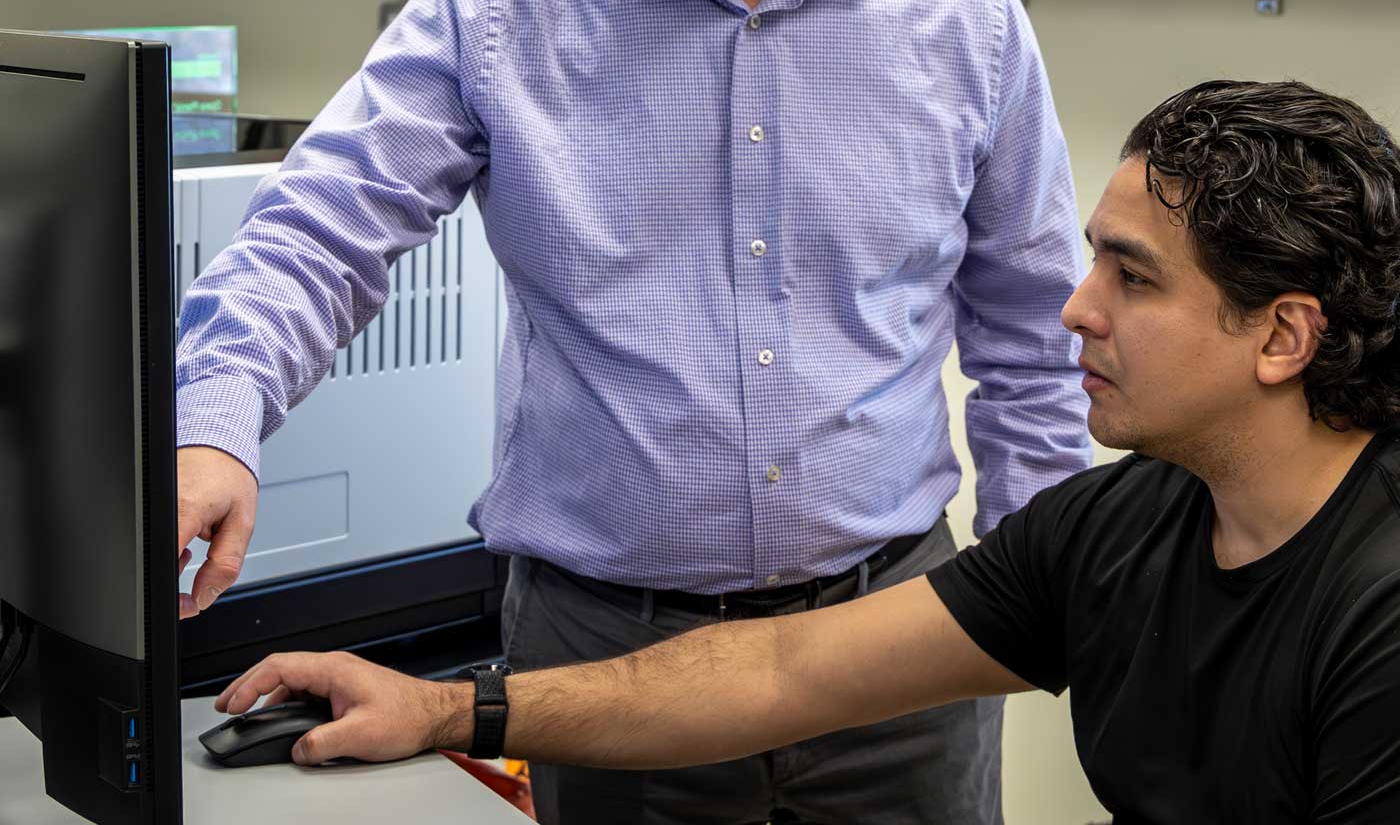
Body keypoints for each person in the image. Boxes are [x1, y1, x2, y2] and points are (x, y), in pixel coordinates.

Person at [176, 0, 1091, 825]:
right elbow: (316, 228)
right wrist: (218, 419)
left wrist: (1037, 585)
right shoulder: (504, 2)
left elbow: (1032, 336)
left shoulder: (962, 16)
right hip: (601, 651)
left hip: (890, 645)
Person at [215, 79, 1400, 825]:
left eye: (1130, 277)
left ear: (1282, 334)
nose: (1073, 309)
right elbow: (779, 674)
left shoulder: (1375, 605)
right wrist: (443, 710)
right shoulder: (1123, 524)